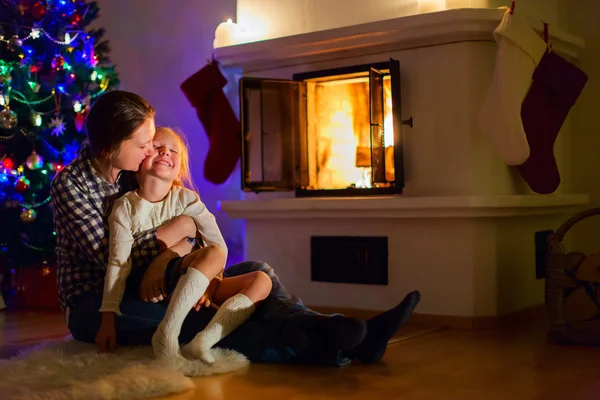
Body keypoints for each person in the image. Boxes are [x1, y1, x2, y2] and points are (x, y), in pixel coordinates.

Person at [50, 89, 421, 367]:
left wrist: (171, 249)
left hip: (162, 279)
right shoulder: (72, 186)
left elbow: (186, 226)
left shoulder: (132, 171)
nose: (153, 151)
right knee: (219, 319)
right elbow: (114, 257)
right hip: (98, 304)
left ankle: (343, 334)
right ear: (111, 149)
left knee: (257, 275)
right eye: (145, 144)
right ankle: (332, 344)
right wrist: (178, 234)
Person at [98, 126, 271, 363]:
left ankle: (204, 341)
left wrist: (210, 284)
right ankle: (166, 335)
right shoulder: (125, 207)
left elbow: (218, 243)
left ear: (180, 168)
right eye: (157, 147)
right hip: (154, 286)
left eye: (173, 151)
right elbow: (118, 262)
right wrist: (108, 320)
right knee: (211, 253)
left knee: (262, 280)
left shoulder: (187, 199)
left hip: (192, 280)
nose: (165, 153)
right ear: (140, 159)